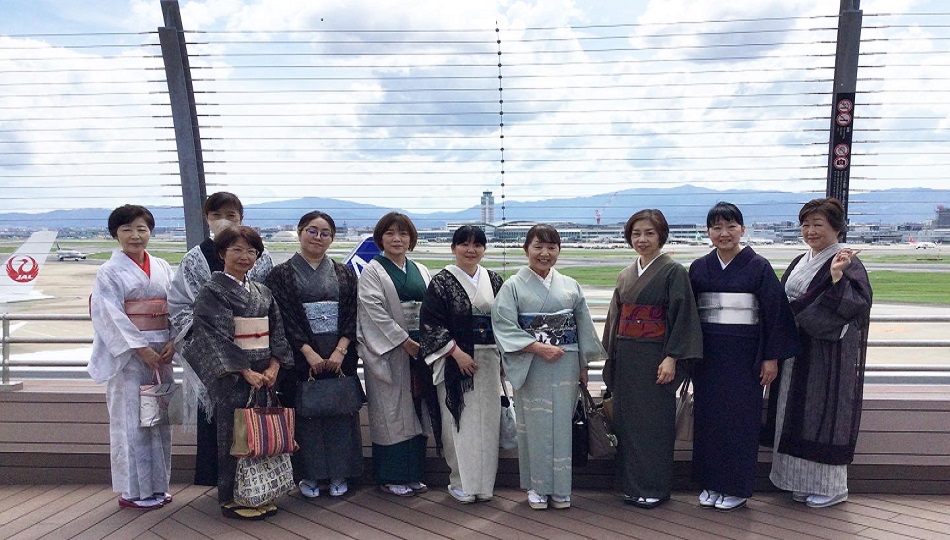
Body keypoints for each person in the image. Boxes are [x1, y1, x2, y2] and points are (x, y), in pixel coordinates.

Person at [688, 202, 800, 511]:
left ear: (742, 229)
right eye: (716, 228)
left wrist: (771, 357)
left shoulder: (758, 266)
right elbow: (687, 315)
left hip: (745, 355)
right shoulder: (699, 268)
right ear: (708, 232)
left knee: (740, 421)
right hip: (708, 355)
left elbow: (774, 313)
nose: (723, 233)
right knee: (709, 419)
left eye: (730, 226)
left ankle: (736, 487)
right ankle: (711, 483)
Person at [491, 224, 606, 511]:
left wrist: (582, 365)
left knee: (562, 426)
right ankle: (538, 486)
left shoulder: (570, 285)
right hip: (532, 363)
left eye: (551, 247)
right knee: (536, 425)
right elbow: (504, 325)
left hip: (566, 362)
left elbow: (582, 326)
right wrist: (537, 347)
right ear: (526, 249)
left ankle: (561, 487)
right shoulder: (513, 286)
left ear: (558, 250)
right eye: (538, 247)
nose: (545, 253)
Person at [182, 226, 293, 520]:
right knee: (235, 434)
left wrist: (274, 366)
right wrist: (243, 370)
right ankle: (234, 496)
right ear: (222, 254)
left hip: (265, 373)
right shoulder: (212, 291)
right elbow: (212, 335)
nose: (245, 257)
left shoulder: (263, 291)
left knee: (262, 434)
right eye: (237, 250)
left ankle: (262, 490)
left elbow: (277, 332)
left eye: (251, 251)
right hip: (234, 376)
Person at [769, 197, 872, 508]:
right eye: (806, 224)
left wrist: (838, 277)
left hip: (827, 355)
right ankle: (798, 482)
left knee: (821, 414)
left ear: (837, 228)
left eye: (818, 224)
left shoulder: (846, 261)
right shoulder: (802, 258)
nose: (810, 230)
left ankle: (832, 487)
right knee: (792, 412)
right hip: (796, 352)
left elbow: (856, 304)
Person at [168, 192, 273, 487]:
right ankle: (223, 483)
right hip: (213, 352)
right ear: (207, 219)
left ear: (242, 218)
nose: (223, 221)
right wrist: (214, 346)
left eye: (231, 215)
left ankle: (259, 482)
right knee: (220, 417)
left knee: (255, 416)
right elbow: (179, 307)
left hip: (257, 350)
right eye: (216, 216)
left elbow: (270, 305)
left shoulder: (261, 256)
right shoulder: (194, 260)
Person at [602, 209, 703, 509]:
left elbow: (683, 317)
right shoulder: (625, 274)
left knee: (655, 424)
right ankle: (632, 486)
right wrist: (612, 356)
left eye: (649, 233)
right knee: (628, 424)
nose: (642, 239)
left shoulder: (674, 272)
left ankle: (655, 487)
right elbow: (614, 318)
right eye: (636, 234)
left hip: (656, 358)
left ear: (661, 236)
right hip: (627, 356)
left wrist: (672, 356)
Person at [264, 211, 362, 499]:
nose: (318, 237)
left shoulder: (344, 273)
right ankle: (309, 474)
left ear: (332, 238)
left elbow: (352, 313)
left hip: (338, 351)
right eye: (312, 230)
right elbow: (282, 316)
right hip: (301, 355)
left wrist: (341, 350)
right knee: (306, 413)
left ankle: (339, 473)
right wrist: (308, 353)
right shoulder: (281, 274)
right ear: (299, 232)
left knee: (340, 411)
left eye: (325, 233)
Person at [88, 204, 175, 510]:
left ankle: (158, 486)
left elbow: (176, 306)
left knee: (158, 420)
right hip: (130, 359)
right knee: (133, 423)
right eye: (127, 230)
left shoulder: (163, 266)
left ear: (150, 231)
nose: (135, 236)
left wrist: (173, 342)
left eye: (142, 229)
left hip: (162, 355)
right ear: (115, 234)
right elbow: (109, 315)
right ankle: (134, 491)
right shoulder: (109, 272)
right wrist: (140, 348)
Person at [418, 225, 505, 504]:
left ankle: (484, 484)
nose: (471, 250)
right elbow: (431, 323)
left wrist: (504, 357)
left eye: (477, 244)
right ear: (453, 248)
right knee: (458, 422)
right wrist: (456, 352)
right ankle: (461, 482)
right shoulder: (441, 281)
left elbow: (505, 323)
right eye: (464, 244)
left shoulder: (494, 279)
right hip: (456, 362)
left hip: (489, 360)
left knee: (488, 423)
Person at [357, 212, 435, 497]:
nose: (397, 239)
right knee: (391, 413)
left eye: (403, 234)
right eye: (390, 233)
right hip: (390, 350)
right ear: (380, 238)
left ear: (411, 238)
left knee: (417, 408)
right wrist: (404, 341)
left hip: (420, 349)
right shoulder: (373, 271)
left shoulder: (421, 269)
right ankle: (392, 476)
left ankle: (414, 473)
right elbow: (373, 311)